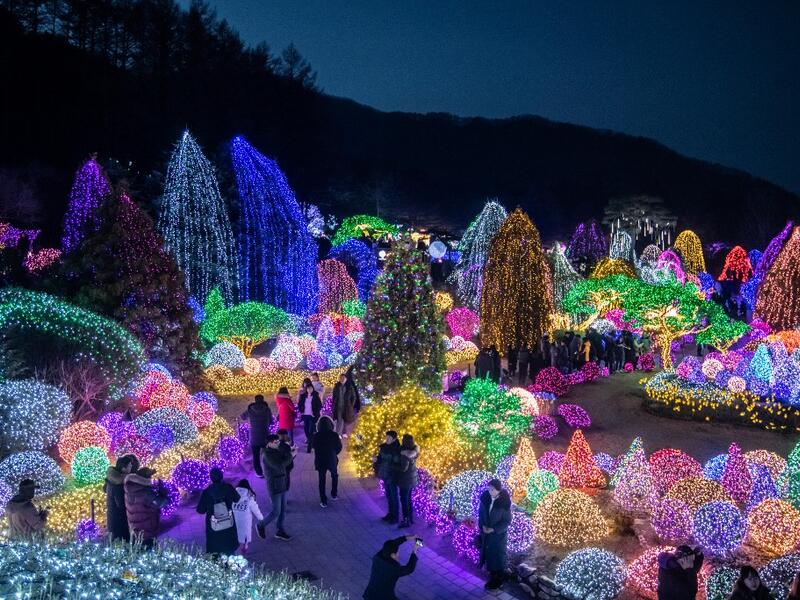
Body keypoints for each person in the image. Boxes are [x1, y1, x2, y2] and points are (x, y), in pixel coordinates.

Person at [196, 467, 241, 556]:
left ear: (211, 478)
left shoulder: (207, 492)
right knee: (230, 550)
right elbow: (237, 499)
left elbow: (200, 510)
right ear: (221, 476)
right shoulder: (228, 487)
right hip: (228, 523)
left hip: (213, 527)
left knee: (215, 552)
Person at [478, 478, 512, 590]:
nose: (490, 492)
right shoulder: (485, 499)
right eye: (489, 489)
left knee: (497, 558)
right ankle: (493, 577)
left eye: (492, 490)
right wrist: (482, 526)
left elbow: (507, 521)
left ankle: (498, 579)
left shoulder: (504, 503)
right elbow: (481, 514)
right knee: (489, 556)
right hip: (486, 535)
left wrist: (494, 529)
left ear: (498, 490)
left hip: (498, 537)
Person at [362, 535, 420, 600]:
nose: (399, 553)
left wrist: (406, 538)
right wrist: (415, 550)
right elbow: (409, 568)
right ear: (393, 555)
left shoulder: (377, 557)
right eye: (398, 552)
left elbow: (391, 545)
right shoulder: (394, 569)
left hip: (369, 594)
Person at [258, 434, 292, 541]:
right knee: (276, 511)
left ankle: (279, 530)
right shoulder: (267, 455)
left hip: (282, 482)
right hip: (274, 485)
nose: (278, 444)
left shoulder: (276, 450)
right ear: (269, 443)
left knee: (282, 509)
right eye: (276, 442)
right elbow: (279, 465)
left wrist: (289, 453)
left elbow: (283, 462)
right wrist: (290, 456)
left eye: (278, 442)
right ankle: (261, 525)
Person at [124, 467, 165, 549]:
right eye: (149, 476)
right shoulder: (145, 493)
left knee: (138, 548)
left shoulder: (130, 488)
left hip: (135, 527)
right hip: (147, 528)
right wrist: (162, 492)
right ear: (144, 479)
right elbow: (161, 503)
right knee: (149, 550)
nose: (151, 478)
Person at [104, 454, 140, 541]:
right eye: (129, 466)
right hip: (119, 520)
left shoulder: (112, 480)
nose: (131, 468)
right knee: (122, 542)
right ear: (123, 468)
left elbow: (104, 489)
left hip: (113, 518)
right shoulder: (118, 484)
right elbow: (121, 504)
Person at [312, 415, 342, 507]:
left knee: (322, 479)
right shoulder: (334, 435)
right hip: (331, 458)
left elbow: (313, 446)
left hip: (320, 459)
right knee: (334, 475)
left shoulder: (316, 435)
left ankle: (323, 500)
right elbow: (339, 447)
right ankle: (334, 493)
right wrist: (334, 453)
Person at [240, 394, 273, 478]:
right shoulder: (267, 409)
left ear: (255, 401)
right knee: (268, 454)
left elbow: (242, 417)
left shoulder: (250, 409)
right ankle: (269, 470)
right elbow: (271, 421)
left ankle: (259, 472)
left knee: (256, 455)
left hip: (254, 436)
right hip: (265, 435)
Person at [375, 430, 401, 524]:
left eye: (389, 437)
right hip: (385, 474)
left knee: (393, 496)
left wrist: (386, 461)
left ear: (394, 439)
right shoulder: (384, 447)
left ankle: (395, 517)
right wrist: (377, 459)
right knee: (389, 496)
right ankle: (390, 514)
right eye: (386, 437)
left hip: (392, 476)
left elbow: (396, 462)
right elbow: (381, 458)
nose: (387, 439)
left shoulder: (397, 449)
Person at [232, 479, 264, 553]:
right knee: (244, 537)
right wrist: (261, 518)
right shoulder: (249, 497)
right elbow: (256, 510)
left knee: (235, 535)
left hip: (233, 522)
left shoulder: (232, 495)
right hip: (245, 523)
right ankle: (244, 548)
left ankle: (235, 550)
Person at [396, 434, 419, 528]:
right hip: (412, 479)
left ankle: (406, 520)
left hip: (405, 480)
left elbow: (404, 468)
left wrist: (395, 467)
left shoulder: (405, 453)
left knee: (404, 500)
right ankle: (410, 518)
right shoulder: (414, 450)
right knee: (408, 499)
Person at [298, 382, 322, 453]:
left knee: (311, 431)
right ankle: (310, 441)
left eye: (311, 388)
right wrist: (301, 410)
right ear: (306, 389)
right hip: (305, 415)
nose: (309, 390)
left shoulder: (315, 396)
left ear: (313, 389)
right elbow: (300, 404)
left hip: (312, 416)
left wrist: (315, 413)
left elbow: (319, 405)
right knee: (306, 429)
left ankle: (309, 447)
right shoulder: (303, 396)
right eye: (308, 388)